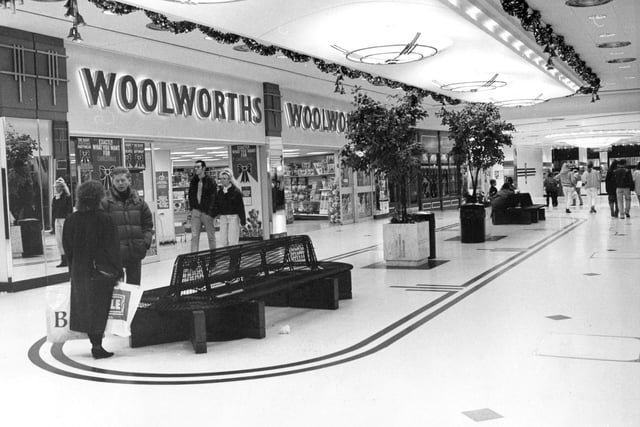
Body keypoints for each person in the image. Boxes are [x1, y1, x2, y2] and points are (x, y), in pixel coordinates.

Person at [62, 180, 121, 359]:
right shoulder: (105, 219)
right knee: (100, 307)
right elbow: (113, 247)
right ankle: (98, 344)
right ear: (99, 197)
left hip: (80, 271)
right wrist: (117, 270)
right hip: (102, 271)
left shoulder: (71, 219)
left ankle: (94, 343)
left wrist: (73, 267)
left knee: (86, 307)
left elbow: (67, 247)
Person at [102, 167, 154, 285]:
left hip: (134, 252)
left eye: (123, 180)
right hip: (114, 255)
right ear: (112, 181)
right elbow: (100, 229)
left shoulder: (139, 202)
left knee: (134, 288)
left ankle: (133, 305)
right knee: (116, 290)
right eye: (117, 181)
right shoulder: (105, 203)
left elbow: (147, 224)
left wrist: (145, 242)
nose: (120, 183)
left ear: (129, 181)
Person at [188, 160, 217, 252]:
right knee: (194, 237)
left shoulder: (210, 181)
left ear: (204, 168)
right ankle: (193, 259)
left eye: (198, 167)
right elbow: (190, 195)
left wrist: (210, 212)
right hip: (196, 212)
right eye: (195, 167)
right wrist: (192, 209)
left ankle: (213, 258)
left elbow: (214, 197)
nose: (196, 169)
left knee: (211, 237)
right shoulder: (193, 181)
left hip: (207, 212)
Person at [213, 168, 246, 247]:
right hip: (223, 217)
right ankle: (227, 256)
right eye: (221, 178)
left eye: (224, 178)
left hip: (233, 217)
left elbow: (240, 207)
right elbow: (217, 204)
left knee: (233, 240)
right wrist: (214, 215)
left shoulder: (236, 192)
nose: (222, 180)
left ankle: (234, 257)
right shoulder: (220, 192)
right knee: (223, 240)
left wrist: (243, 221)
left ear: (229, 180)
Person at [51, 177, 73, 267]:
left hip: (64, 220)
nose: (56, 188)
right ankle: (63, 259)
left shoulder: (67, 197)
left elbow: (69, 210)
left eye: (58, 187)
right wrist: (53, 223)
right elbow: (53, 211)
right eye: (56, 187)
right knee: (59, 240)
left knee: (66, 240)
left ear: (62, 187)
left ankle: (68, 259)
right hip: (57, 220)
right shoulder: (55, 198)